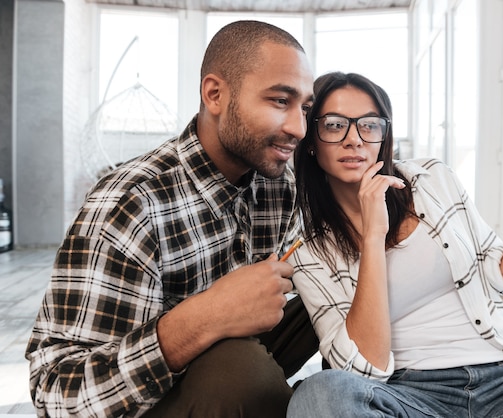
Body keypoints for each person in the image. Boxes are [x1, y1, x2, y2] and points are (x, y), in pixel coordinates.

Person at [286, 72, 503, 417]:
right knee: (320, 394)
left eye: (369, 125)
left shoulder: (432, 178)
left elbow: (494, 271)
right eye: (334, 125)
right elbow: (362, 368)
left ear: (384, 137)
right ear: (311, 139)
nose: (354, 140)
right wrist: (373, 236)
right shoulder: (310, 252)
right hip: (412, 399)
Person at [26, 20, 319, 418]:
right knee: (239, 370)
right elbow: (55, 394)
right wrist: (203, 318)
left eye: (305, 107)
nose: (298, 128)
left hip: (235, 357)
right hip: (136, 400)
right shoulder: (131, 204)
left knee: (332, 295)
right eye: (279, 102)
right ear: (214, 94)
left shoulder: (277, 184)